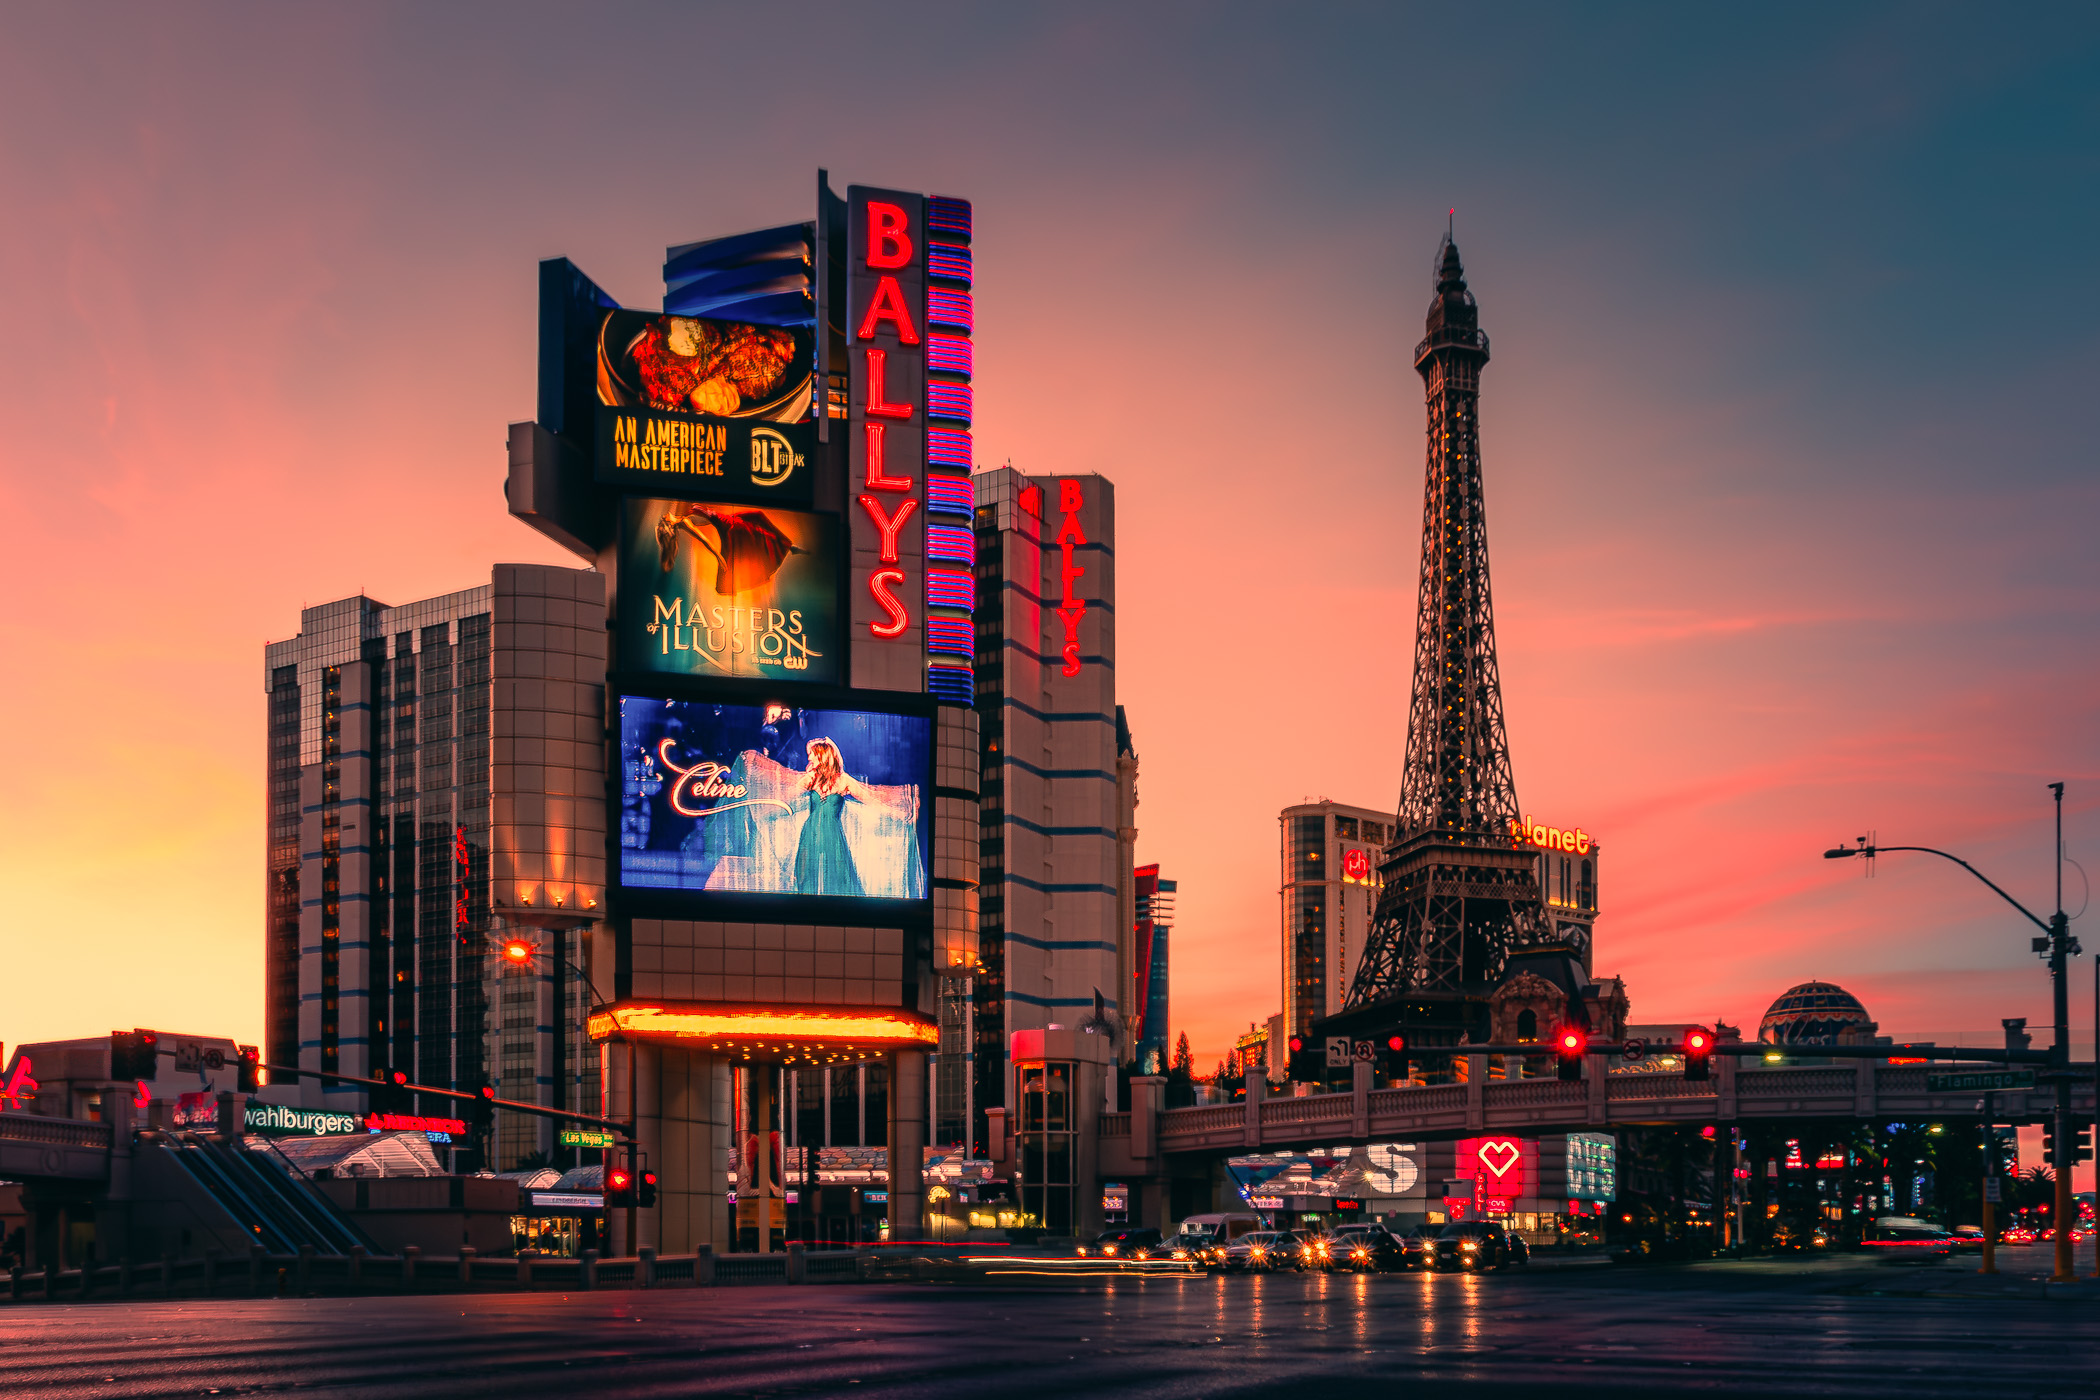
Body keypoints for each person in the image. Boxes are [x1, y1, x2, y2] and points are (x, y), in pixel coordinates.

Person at [792, 738, 866, 896]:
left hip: (832, 836)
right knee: (805, 875)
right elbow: (787, 793)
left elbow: (870, 798)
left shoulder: (843, 780)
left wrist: (899, 811)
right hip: (810, 834)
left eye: (812, 754)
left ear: (822, 755)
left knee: (838, 876)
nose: (809, 758)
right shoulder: (811, 779)